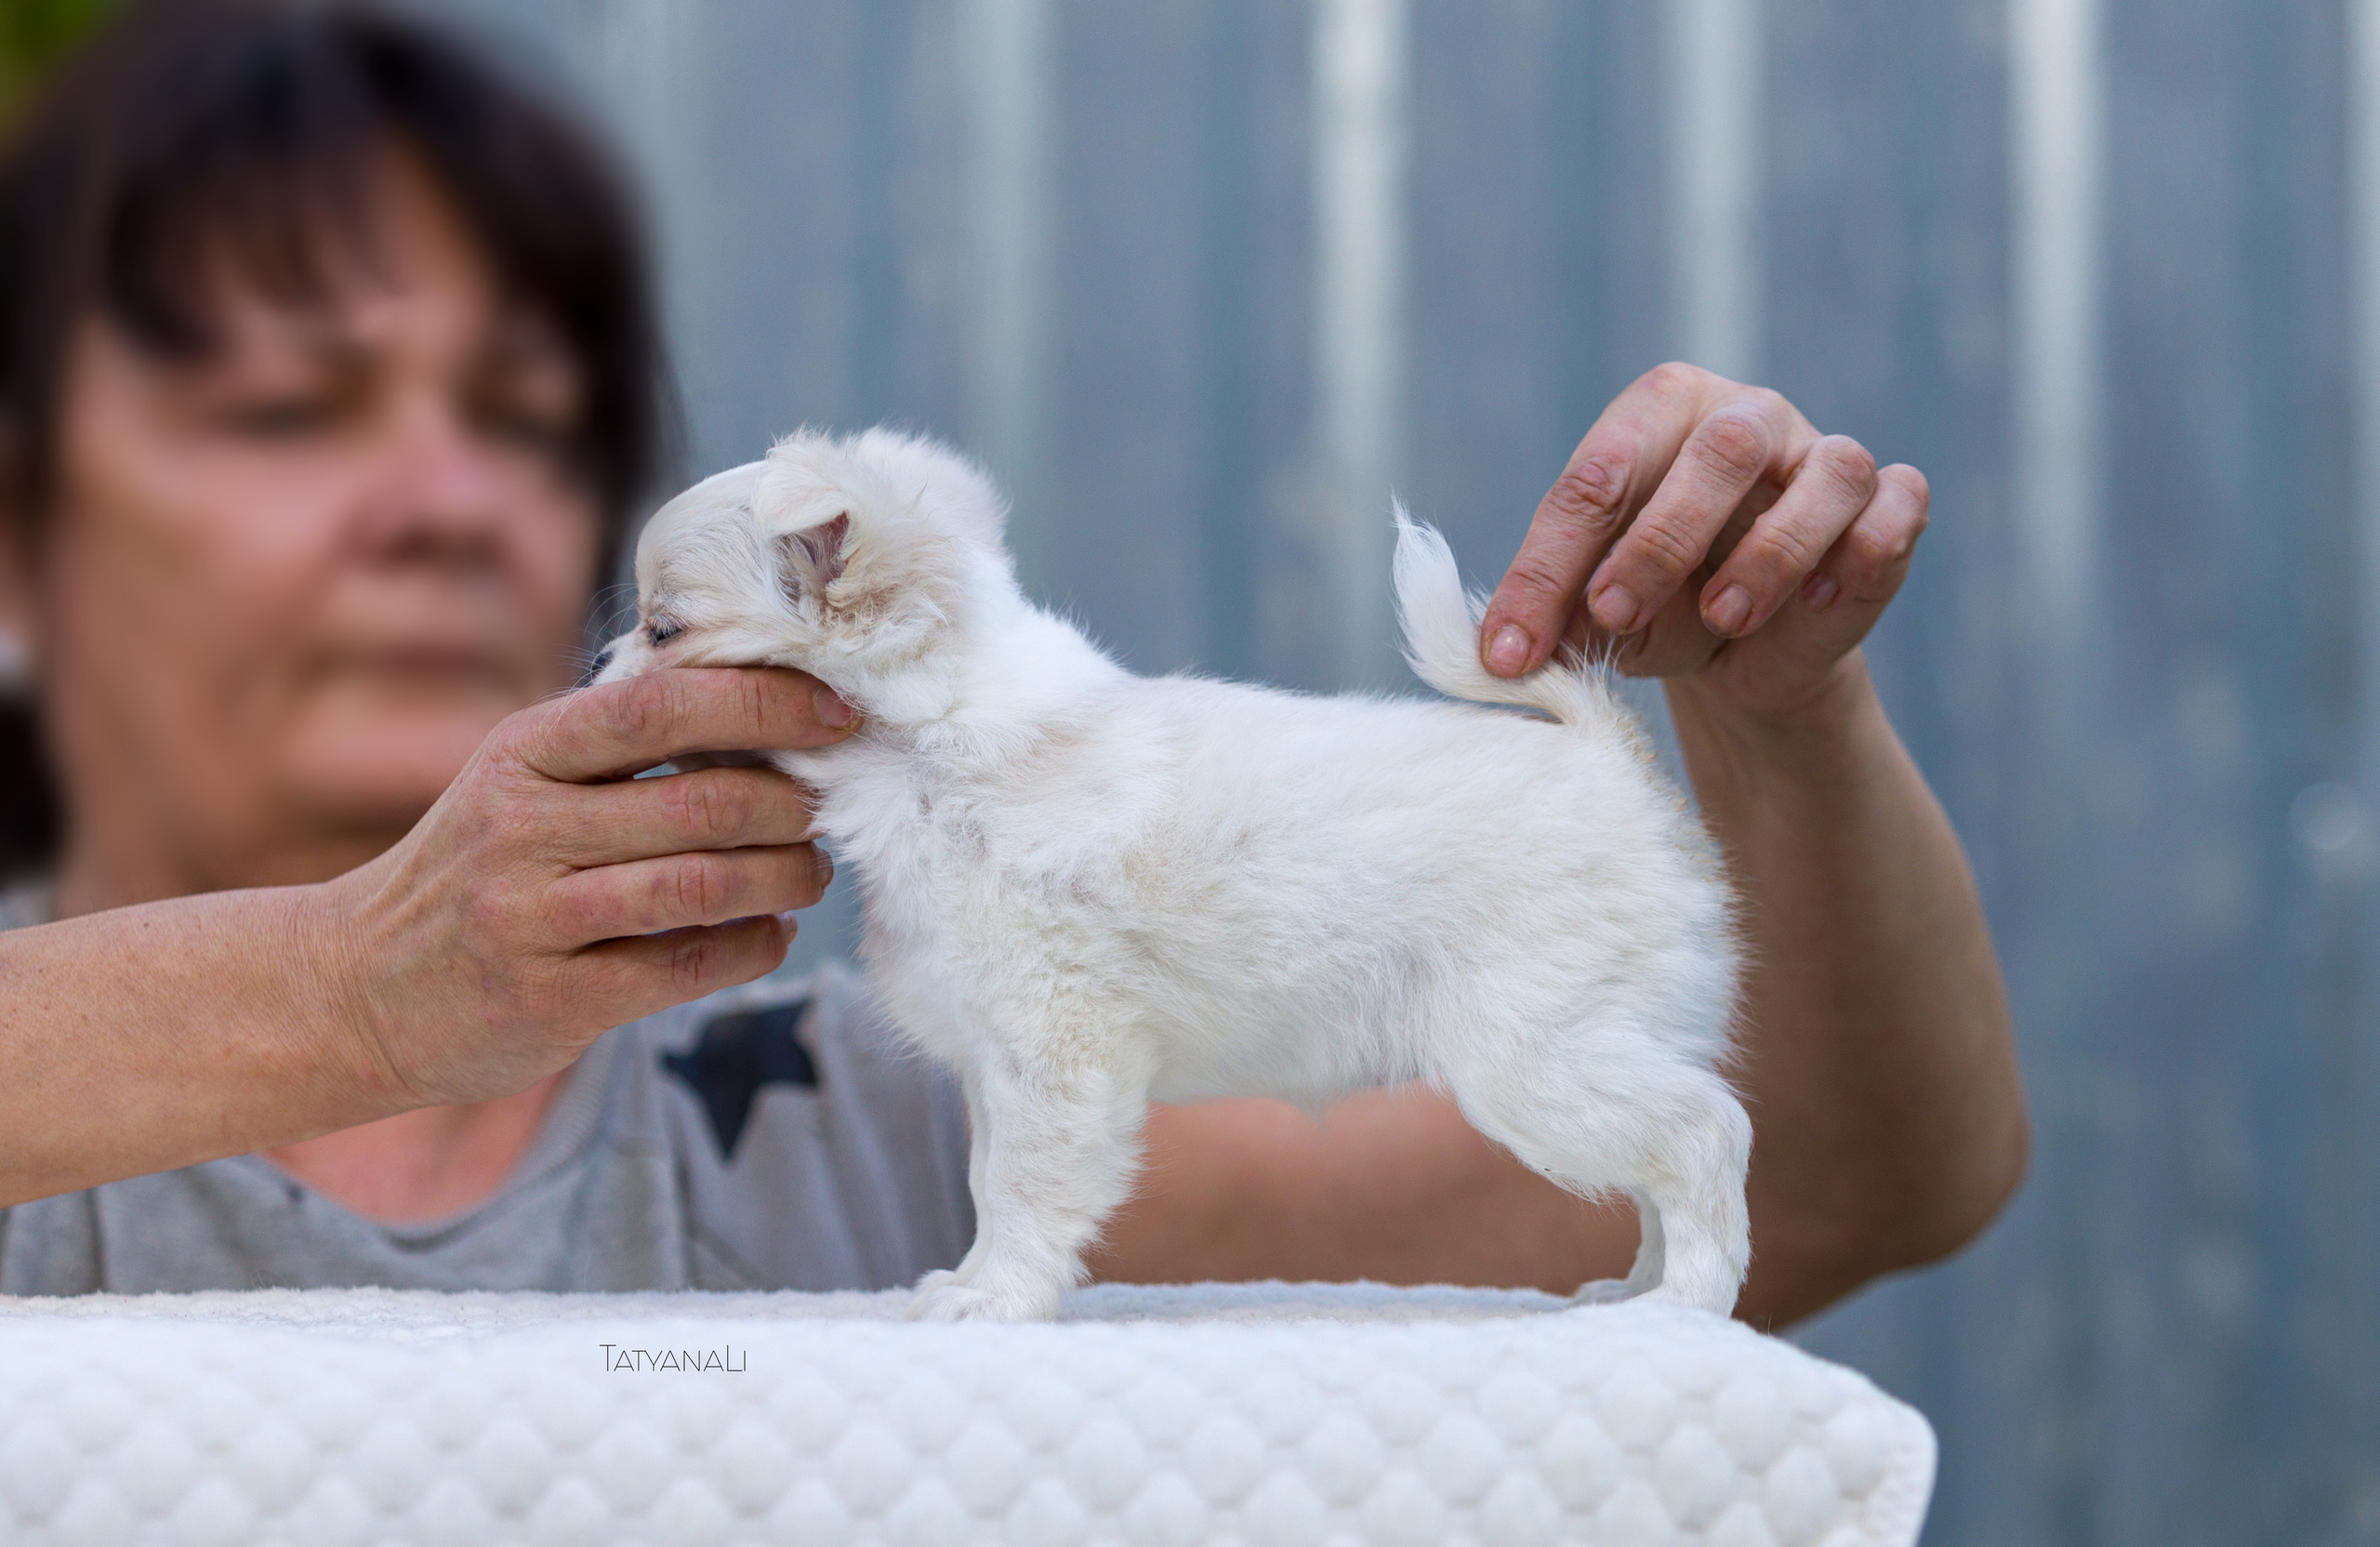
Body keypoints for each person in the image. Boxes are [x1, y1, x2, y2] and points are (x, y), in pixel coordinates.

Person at [0, 0, 2024, 1326]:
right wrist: (355, 986)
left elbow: (1863, 1173)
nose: (446, 497)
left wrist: (1777, 709)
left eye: (529, 418)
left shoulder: (839, 1117)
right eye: (290, 406)